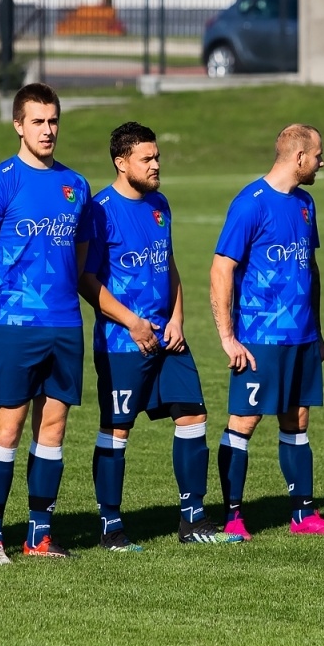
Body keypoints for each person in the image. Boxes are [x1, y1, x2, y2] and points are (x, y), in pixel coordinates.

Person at [80, 122, 238, 550]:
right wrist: (132, 322)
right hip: (122, 343)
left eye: (157, 157)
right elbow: (87, 280)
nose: (155, 165)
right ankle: (111, 529)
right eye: (146, 158)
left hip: (168, 338)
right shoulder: (99, 210)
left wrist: (177, 319)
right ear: (121, 162)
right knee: (117, 431)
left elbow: (167, 265)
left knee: (192, 416)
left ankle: (193, 520)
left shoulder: (159, 205)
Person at [0, 84, 93, 564]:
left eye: (53, 120)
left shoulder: (76, 185)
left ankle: (38, 535)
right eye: (38, 121)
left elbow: (79, 261)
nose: (48, 130)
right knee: (8, 426)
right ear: (18, 125)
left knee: (53, 427)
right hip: (12, 324)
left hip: (64, 324)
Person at [211, 123, 324, 538]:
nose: (322, 161)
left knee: (297, 420)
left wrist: (317, 330)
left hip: (301, 338)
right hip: (260, 339)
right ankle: (232, 517)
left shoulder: (306, 204)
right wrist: (228, 337)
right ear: (299, 157)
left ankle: (303, 514)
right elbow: (222, 269)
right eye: (318, 154)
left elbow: (311, 269)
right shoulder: (250, 204)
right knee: (244, 423)